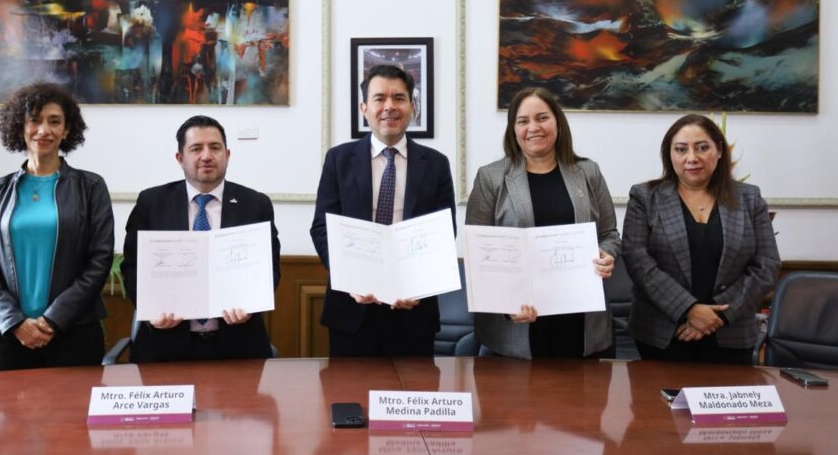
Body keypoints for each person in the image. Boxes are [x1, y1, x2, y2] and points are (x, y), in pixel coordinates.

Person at [310, 64, 456, 357]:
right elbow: (322, 228)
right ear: (364, 108)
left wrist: (419, 286)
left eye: (399, 98)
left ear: (412, 107)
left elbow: (444, 232)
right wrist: (349, 278)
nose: (390, 106)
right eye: (379, 98)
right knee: (350, 387)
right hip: (352, 309)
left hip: (414, 310)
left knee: (415, 387)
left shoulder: (436, 163)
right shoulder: (338, 160)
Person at [466, 87, 620, 359]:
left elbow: (609, 234)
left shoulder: (588, 172)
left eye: (542, 118)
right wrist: (505, 306)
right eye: (523, 121)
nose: (533, 128)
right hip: (517, 326)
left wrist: (607, 254)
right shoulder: (491, 178)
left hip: (582, 323)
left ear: (558, 122)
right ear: (513, 129)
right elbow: (478, 255)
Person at [0, 82, 114, 371]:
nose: (44, 130)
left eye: (54, 121)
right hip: (6, 335)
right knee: (2, 404)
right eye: (34, 120)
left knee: (73, 404)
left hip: (74, 332)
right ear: (20, 127)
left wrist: (52, 320)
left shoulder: (90, 187)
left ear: (67, 130)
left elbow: (99, 261)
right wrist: (15, 323)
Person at [622, 114, 780, 364]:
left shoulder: (749, 198)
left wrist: (717, 316)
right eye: (681, 149)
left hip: (731, 333)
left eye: (702, 147)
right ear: (669, 155)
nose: (692, 158)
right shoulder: (645, 197)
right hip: (663, 333)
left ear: (720, 150)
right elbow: (637, 261)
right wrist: (689, 309)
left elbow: (767, 265)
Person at [121, 115, 280, 362]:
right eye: (196, 149)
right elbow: (132, 267)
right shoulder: (151, 203)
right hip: (164, 344)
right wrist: (151, 309)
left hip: (239, 343)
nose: (206, 156)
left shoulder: (255, 204)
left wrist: (251, 305)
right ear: (180, 158)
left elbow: (271, 269)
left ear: (227, 154)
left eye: (215, 147)